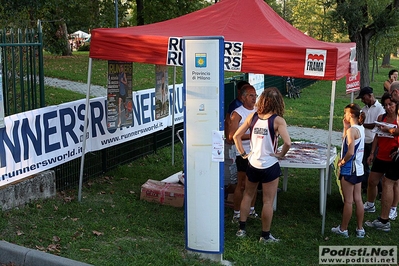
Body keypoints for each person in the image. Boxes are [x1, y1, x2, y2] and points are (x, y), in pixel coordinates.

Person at [233, 87, 291, 243]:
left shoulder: (253, 117)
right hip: (269, 165)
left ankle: (241, 229)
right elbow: (287, 142)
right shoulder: (278, 120)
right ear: (279, 102)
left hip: (253, 163)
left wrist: (244, 154)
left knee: (248, 195)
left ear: (262, 100)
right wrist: (281, 155)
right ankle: (265, 235)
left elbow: (236, 136)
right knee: (267, 201)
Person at [366, 81, 399, 232]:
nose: (389, 106)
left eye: (392, 99)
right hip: (383, 155)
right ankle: (380, 215)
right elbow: (377, 137)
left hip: (395, 154)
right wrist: (373, 152)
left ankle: (385, 219)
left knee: (388, 182)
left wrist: (390, 130)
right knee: (379, 181)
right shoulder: (382, 117)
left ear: (396, 93)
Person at [331, 103, 366, 238]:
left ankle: (343, 229)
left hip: (349, 168)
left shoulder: (352, 131)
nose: (344, 116)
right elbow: (348, 142)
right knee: (358, 199)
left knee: (348, 200)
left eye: (345, 113)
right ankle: (360, 228)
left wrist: (342, 161)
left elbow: (350, 151)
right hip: (358, 168)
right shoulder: (360, 128)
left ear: (351, 114)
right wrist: (345, 128)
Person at [228, 84, 258, 223]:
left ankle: (251, 210)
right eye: (251, 95)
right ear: (243, 97)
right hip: (243, 153)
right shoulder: (237, 113)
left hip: (257, 152)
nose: (254, 98)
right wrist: (252, 135)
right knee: (242, 184)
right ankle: (236, 213)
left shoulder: (259, 111)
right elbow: (231, 136)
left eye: (255, 95)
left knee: (255, 183)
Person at [356, 87, 385, 194]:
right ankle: (365, 186)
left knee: (377, 167)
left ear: (370, 95)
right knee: (363, 164)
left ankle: (380, 190)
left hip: (374, 141)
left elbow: (376, 125)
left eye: (364, 98)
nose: (363, 100)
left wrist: (363, 124)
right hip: (364, 140)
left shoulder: (380, 108)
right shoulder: (363, 110)